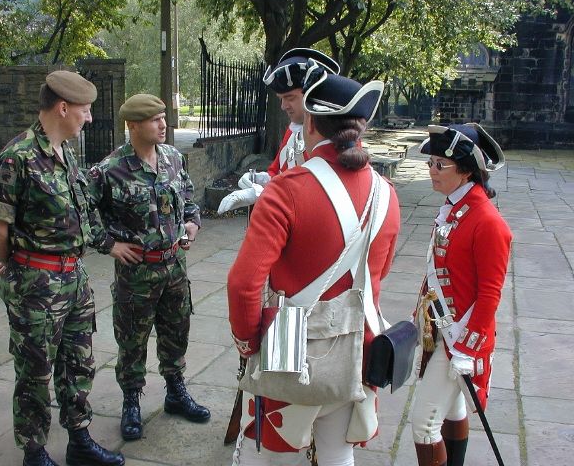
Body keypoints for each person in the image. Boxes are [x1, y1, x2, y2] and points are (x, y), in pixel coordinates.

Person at [227, 67, 400, 465]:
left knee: (272, 457)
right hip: (358, 340)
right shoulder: (386, 192)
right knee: (339, 454)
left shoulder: (286, 190)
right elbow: (381, 271)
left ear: (311, 124)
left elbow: (243, 284)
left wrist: (249, 342)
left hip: (290, 341)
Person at [0, 70, 124, 466]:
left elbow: (82, 213)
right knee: (35, 371)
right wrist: (13, 263)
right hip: (37, 285)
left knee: (78, 362)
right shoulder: (18, 157)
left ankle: (79, 440)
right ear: (63, 107)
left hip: (74, 279)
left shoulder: (66, 154)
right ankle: (35, 451)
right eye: (86, 110)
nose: (90, 118)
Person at [87, 93, 210, 442]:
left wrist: (192, 224)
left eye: (163, 118)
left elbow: (187, 196)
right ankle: (131, 403)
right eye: (155, 119)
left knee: (176, 333)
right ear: (134, 125)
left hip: (174, 267)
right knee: (132, 342)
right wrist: (109, 244)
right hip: (136, 275)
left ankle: (175, 392)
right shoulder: (110, 169)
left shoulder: (171, 157)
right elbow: (81, 210)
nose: (163, 124)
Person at [411, 124, 512, 466]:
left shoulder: (488, 222)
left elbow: (489, 295)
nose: (431, 171)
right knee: (452, 408)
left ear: (467, 170)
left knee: (423, 424)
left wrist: (467, 348)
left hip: (461, 337)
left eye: (441, 164)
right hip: (441, 328)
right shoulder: (455, 208)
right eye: (431, 163)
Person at [217, 48, 339, 214]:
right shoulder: (294, 130)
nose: (283, 106)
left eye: (290, 98)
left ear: (313, 94)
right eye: (281, 99)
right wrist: (262, 180)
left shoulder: (337, 137)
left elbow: (315, 192)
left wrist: (262, 193)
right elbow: (279, 172)